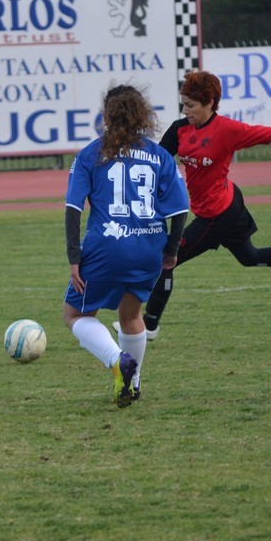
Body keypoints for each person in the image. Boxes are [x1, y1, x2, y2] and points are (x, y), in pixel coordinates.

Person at [114, 69, 271, 342]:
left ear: (210, 103)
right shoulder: (180, 129)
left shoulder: (227, 130)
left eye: (190, 105)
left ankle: (149, 325)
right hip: (226, 205)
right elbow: (157, 161)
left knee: (166, 260)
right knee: (251, 257)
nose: (185, 110)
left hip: (218, 215)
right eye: (183, 104)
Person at [63, 84, 190, 407]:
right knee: (131, 314)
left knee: (74, 314)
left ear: (107, 116)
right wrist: (171, 251)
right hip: (149, 248)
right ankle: (132, 384)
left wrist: (74, 257)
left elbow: (73, 209)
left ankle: (118, 360)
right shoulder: (160, 156)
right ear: (141, 115)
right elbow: (180, 210)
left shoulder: (90, 154)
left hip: (107, 247)